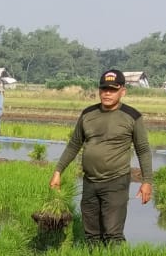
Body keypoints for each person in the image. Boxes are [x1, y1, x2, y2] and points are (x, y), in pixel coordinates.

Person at [48, 69, 153, 245]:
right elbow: (74, 144)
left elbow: (143, 149)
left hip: (116, 181)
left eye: (112, 89)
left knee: (113, 233)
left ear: (123, 91)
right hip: (90, 181)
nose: (107, 93)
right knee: (91, 233)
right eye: (104, 89)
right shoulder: (88, 114)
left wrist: (147, 181)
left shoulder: (132, 116)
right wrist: (58, 171)